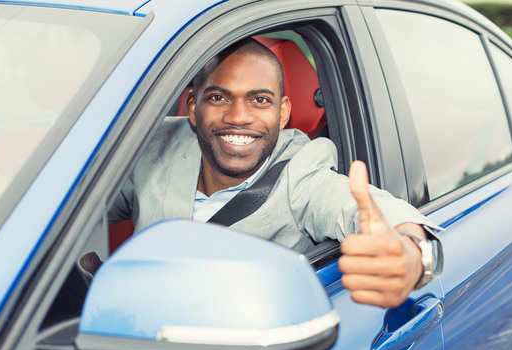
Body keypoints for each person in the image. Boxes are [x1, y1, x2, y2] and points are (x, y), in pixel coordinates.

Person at [106, 37, 443, 308]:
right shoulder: (153, 146)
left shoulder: (302, 174)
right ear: (194, 108)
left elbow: (365, 207)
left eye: (260, 100)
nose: (238, 117)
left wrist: (411, 254)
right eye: (220, 97)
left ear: (282, 113)